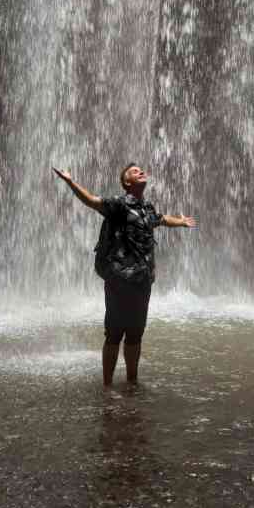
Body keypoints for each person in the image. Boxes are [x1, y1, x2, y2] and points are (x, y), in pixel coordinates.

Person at [53, 163, 196, 385]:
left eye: (141, 170)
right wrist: (70, 181)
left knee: (135, 335)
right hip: (119, 279)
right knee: (114, 334)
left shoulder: (147, 208)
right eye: (134, 171)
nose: (140, 171)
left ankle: (132, 381)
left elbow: (163, 219)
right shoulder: (118, 205)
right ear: (127, 182)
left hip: (142, 280)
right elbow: (91, 201)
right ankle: (107, 385)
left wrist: (182, 222)